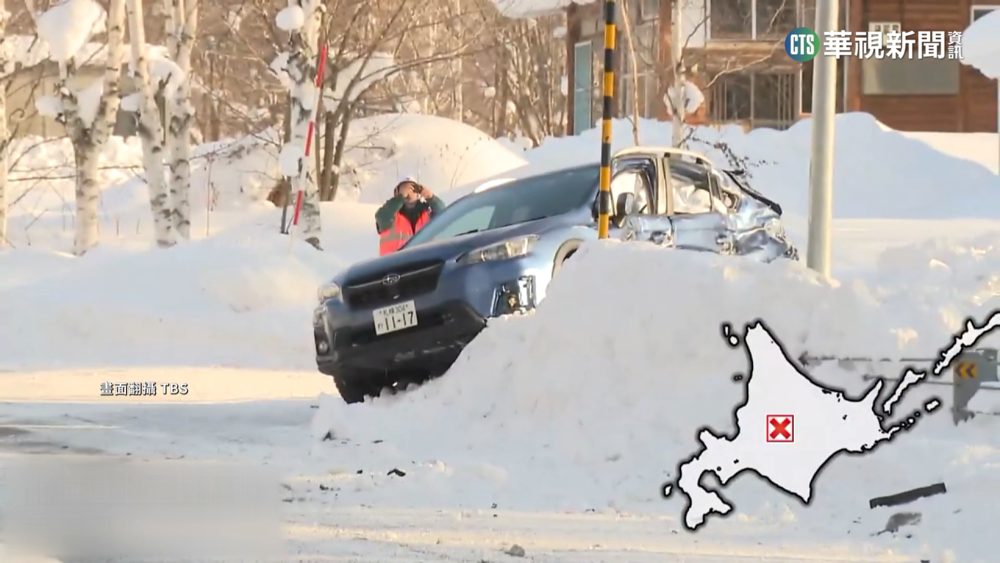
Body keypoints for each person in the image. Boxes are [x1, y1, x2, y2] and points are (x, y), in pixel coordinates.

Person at [375, 177, 445, 255]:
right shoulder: (391, 216)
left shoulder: (427, 214)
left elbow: (445, 216)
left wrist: (431, 198)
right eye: (404, 189)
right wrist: (400, 197)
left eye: (412, 188)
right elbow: (382, 216)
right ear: (397, 193)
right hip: (394, 265)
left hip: (426, 262)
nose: (408, 192)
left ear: (418, 193)